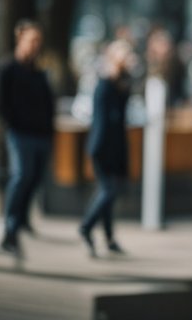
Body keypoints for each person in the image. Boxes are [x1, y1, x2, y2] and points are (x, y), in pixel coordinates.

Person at [0, 19, 55, 255]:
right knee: (22, 175)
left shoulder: (38, 70)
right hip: (20, 133)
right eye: (32, 40)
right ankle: (9, 223)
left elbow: (48, 102)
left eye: (39, 41)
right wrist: (13, 124)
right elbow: (0, 102)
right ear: (21, 39)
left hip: (40, 134)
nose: (36, 45)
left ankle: (20, 220)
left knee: (35, 178)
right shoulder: (8, 67)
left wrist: (49, 130)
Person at [78, 40, 133, 257]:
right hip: (103, 147)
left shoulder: (122, 82)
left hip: (117, 146)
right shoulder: (104, 84)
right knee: (108, 191)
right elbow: (102, 120)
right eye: (124, 55)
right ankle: (86, 226)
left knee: (109, 193)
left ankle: (109, 238)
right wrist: (96, 149)